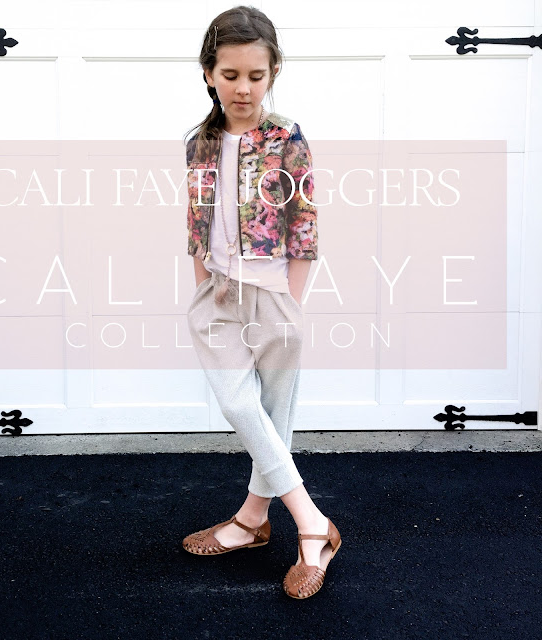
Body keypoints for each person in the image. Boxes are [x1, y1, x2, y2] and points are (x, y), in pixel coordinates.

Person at [181, 6, 341, 600]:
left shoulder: (286, 138)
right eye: (230, 75)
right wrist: (203, 285)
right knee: (239, 405)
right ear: (208, 74)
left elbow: (305, 223)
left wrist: (290, 302)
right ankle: (312, 524)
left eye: (256, 75)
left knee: (274, 416)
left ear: (273, 72)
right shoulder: (198, 143)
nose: (243, 88)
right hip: (218, 294)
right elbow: (196, 221)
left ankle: (252, 520)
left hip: (275, 295)